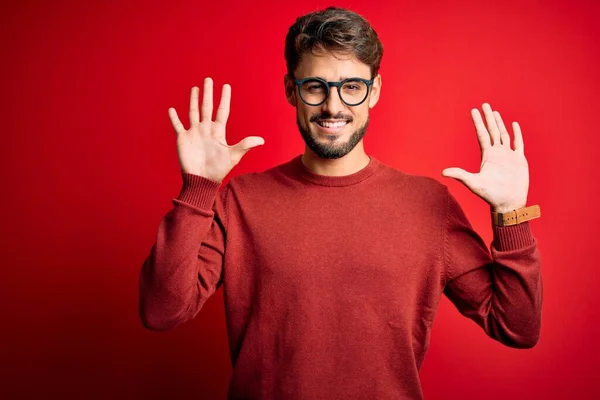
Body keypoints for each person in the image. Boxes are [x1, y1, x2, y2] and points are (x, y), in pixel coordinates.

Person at [138, 6, 543, 399]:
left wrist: (511, 213)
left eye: (352, 87)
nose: (334, 107)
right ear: (290, 90)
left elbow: (516, 327)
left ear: (375, 91)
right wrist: (199, 188)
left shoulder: (429, 205)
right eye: (316, 87)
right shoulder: (241, 200)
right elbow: (161, 311)